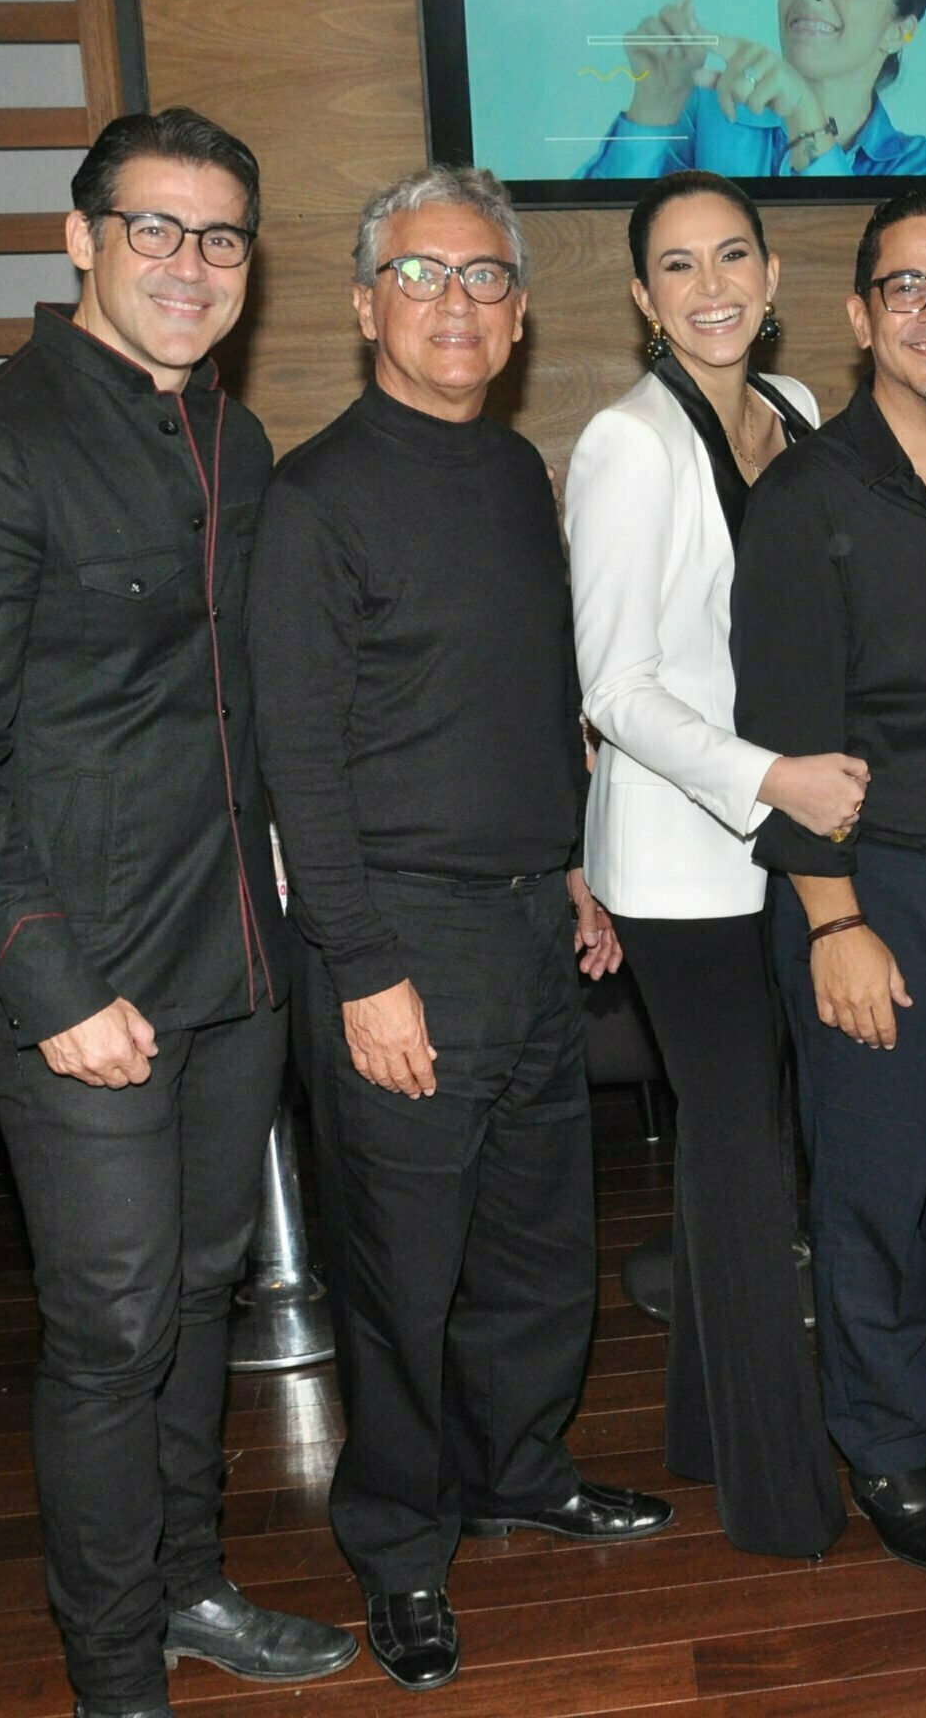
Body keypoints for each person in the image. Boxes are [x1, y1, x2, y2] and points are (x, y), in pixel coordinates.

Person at [0, 108, 356, 1718]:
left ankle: (189, 1584)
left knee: (204, 1295)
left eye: (221, 238)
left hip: (231, 960)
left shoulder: (237, 441)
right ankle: (110, 1664)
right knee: (111, 1325)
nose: (189, 265)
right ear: (80, 239)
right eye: (154, 229)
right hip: (80, 980)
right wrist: (50, 980)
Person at [249, 166, 673, 1694]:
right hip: (398, 940)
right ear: (367, 306)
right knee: (403, 1277)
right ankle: (399, 1550)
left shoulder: (512, 473)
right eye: (420, 276)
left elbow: (523, 700)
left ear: (520, 312)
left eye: (484, 276)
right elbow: (299, 763)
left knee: (541, 1245)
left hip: (528, 926)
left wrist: (569, 869)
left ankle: (519, 1471)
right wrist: (365, 973)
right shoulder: (314, 499)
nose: (455, 302)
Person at [730, 191, 926, 1578]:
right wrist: (834, 920)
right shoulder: (809, 494)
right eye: (904, 289)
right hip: (882, 891)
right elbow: (786, 729)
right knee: (875, 1193)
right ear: (860, 319)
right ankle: (883, 1441)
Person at [564, 169, 862, 1558]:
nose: (711, 287)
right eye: (678, 266)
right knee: (746, 1156)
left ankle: (702, 1426)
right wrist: (771, 778)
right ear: (643, 296)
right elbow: (615, 688)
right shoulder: (628, 444)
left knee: (738, 1142)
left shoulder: (795, 410)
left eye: (731, 255)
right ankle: (781, 1494)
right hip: (682, 865)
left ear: (773, 273)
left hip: (781, 852)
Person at [580, 0, 926, 181]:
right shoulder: (704, 114)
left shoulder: (923, 171)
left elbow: (852, 264)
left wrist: (805, 115)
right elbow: (593, 247)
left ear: (898, 31)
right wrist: (653, 108)